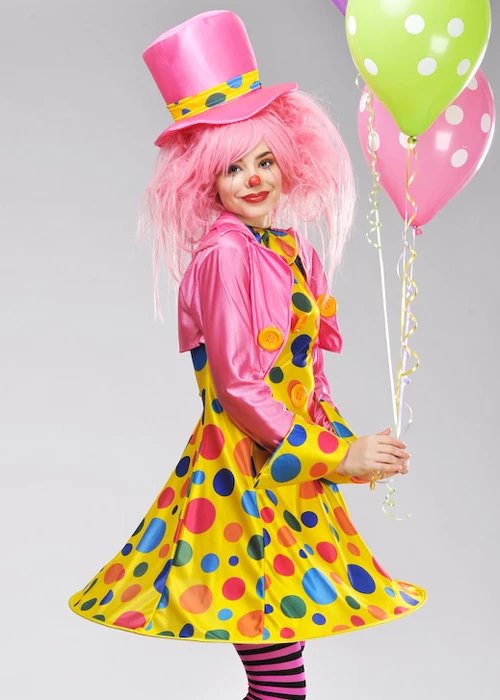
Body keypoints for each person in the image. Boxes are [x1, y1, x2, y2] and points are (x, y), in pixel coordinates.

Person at [68, 10, 427, 699]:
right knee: (280, 684)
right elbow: (239, 385)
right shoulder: (225, 254)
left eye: (264, 161)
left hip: (283, 477)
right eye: (233, 168)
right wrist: (337, 454)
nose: (254, 179)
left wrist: (352, 453)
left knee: (279, 681)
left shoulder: (293, 251)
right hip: (242, 483)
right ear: (206, 181)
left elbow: (307, 381)